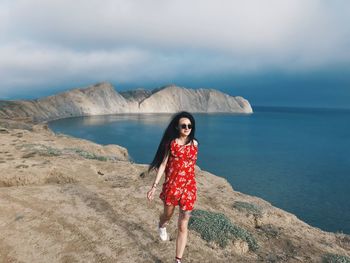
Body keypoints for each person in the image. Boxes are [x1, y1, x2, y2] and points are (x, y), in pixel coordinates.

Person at [147, 111, 199, 263]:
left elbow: (190, 165)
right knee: (167, 216)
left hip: (189, 188)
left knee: (183, 225)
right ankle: (161, 225)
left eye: (190, 125)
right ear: (177, 127)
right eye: (183, 125)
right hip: (172, 186)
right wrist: (154, 186)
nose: (187, 128)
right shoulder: (171, 144)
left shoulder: (195, 144)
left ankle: (178, 260)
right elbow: (163, 164)